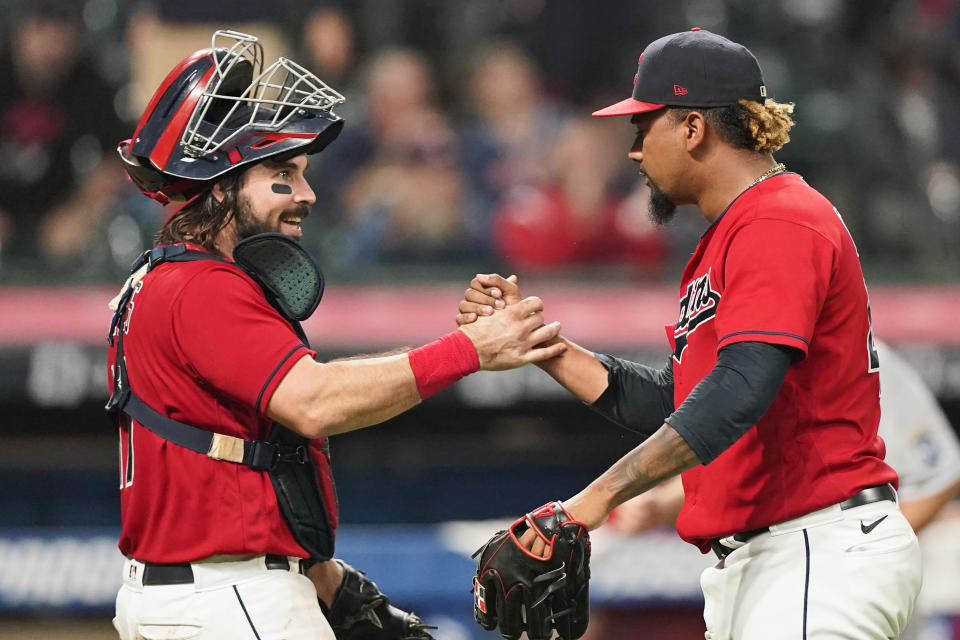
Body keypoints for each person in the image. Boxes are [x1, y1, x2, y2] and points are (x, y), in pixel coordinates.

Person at [458, 29, 922, 639]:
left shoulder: (780, 218)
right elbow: (681, 400)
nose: (633, 151)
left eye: (642, 127)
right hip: (774, 560)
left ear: (692, 128)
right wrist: (540, 344)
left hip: (816, 549)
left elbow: (737, 392)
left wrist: (586, 506)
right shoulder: (732, 233)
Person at [106, 30, 565, 640]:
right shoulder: (204, 286)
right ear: (219, 187)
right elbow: (314, 402)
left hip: (195, 593)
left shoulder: (160, 278)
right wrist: (470, 352)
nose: (307, 194)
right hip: (230, 598)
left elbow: (232, 459)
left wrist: (330, 584)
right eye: (282, 174)